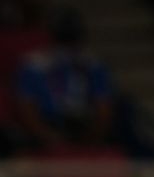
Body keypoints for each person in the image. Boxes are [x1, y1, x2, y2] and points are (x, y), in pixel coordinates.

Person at [14, 8, 114, 150]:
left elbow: (104, 109)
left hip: (83, 125)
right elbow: (26, 108)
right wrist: (47, 136)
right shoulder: (33, 65)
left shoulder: (93, 65)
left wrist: (91, 139)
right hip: (49, 126)